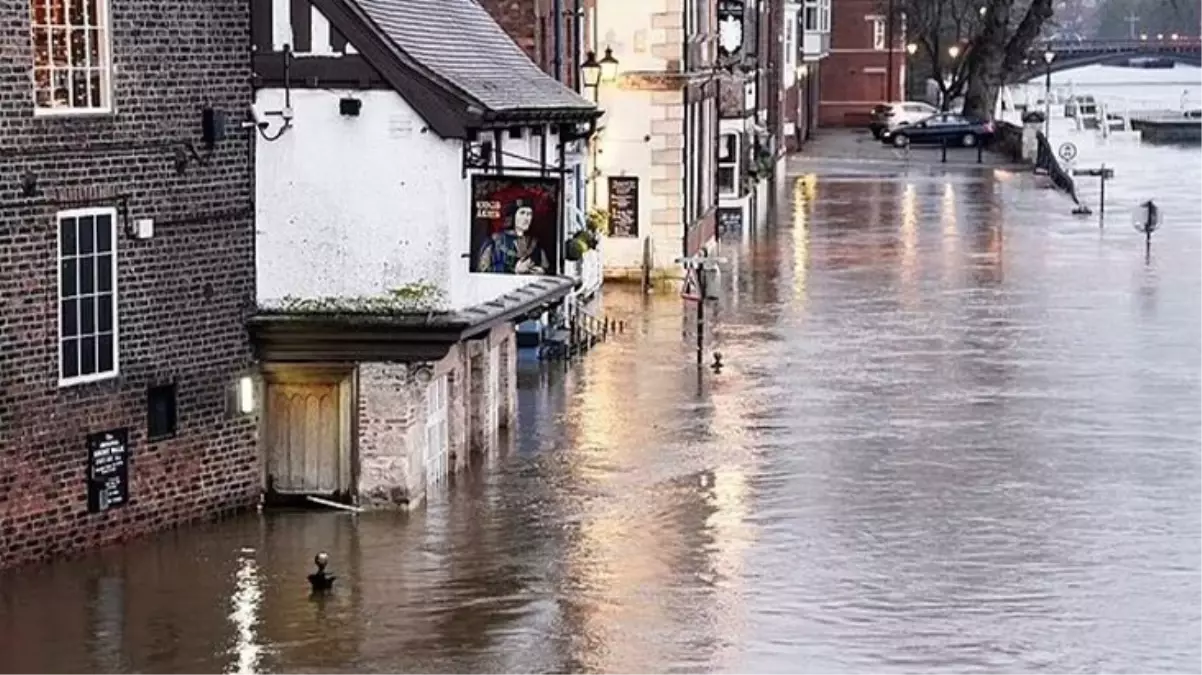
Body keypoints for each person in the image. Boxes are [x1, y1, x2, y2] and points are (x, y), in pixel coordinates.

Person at [476, 198, 550, 274]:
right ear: (512, 216)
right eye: (522, 213)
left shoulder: (535, 244)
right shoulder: (494, 242)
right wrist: (513, 270)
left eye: (529, 214)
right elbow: (482, 270)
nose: (526, 218)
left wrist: (541, 271)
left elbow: (547, 268)